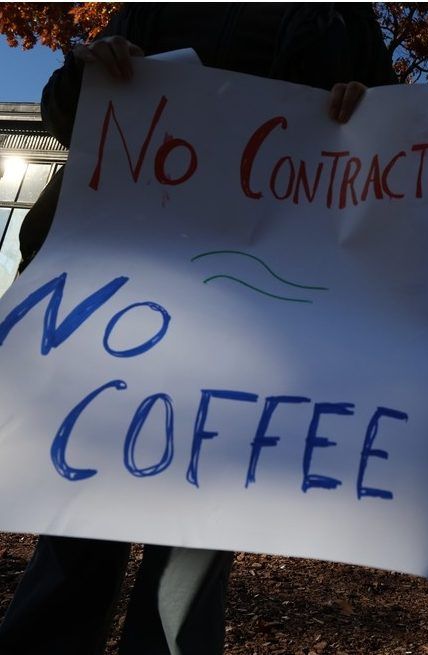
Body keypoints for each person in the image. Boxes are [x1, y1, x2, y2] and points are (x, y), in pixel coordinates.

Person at [0, 4, 395, 655]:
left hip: (250, 331)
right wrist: (89, 70)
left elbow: (387, 145)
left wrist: (369, 113)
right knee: (75, 542)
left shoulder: (343, 17)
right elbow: (63, 115)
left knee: (188, 566)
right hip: (121, 311)